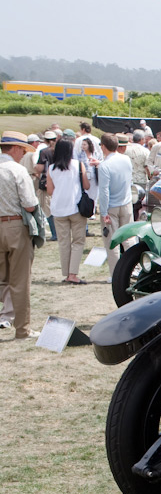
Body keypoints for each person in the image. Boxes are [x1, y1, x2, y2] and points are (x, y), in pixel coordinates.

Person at [0, 131, 39, 338]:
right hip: (15, 226)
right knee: (20, 281)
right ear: (15, 148)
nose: (24, 154)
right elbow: (30, 204)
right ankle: (22, 329)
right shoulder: (18, 170)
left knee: (3, 279)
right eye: (23, 150)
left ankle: (6, 316)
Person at [46, 136, 90, 285]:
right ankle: (73, 273)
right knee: (78, 241)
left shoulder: (51, 168)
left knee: (63, 243)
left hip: (58, 209)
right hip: (75, 207)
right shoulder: (78, 165)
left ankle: (66, 273)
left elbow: (50, 191)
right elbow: (87, 185)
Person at [97, 133, 134, 279]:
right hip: (126, 202)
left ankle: (116, 275)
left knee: (112, 243)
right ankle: (134, 270)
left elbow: (104, 191)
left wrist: (104, 211)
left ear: (103, 147)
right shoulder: (125, 159)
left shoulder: (104, 165)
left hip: (112, 206)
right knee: (129, 239)